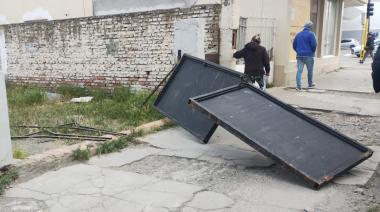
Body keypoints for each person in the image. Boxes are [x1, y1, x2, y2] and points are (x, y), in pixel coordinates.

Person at [293, 21, 317, 91]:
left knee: (299, 71)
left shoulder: (298, 34)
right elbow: (314, 45)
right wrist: (312, 52)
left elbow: (294, 45)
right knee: (310, 70)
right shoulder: (311, 34)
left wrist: (298, 51)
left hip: (299, 56)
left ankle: (298, 86)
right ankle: (310, 83)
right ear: (310, 27)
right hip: (309, 55)